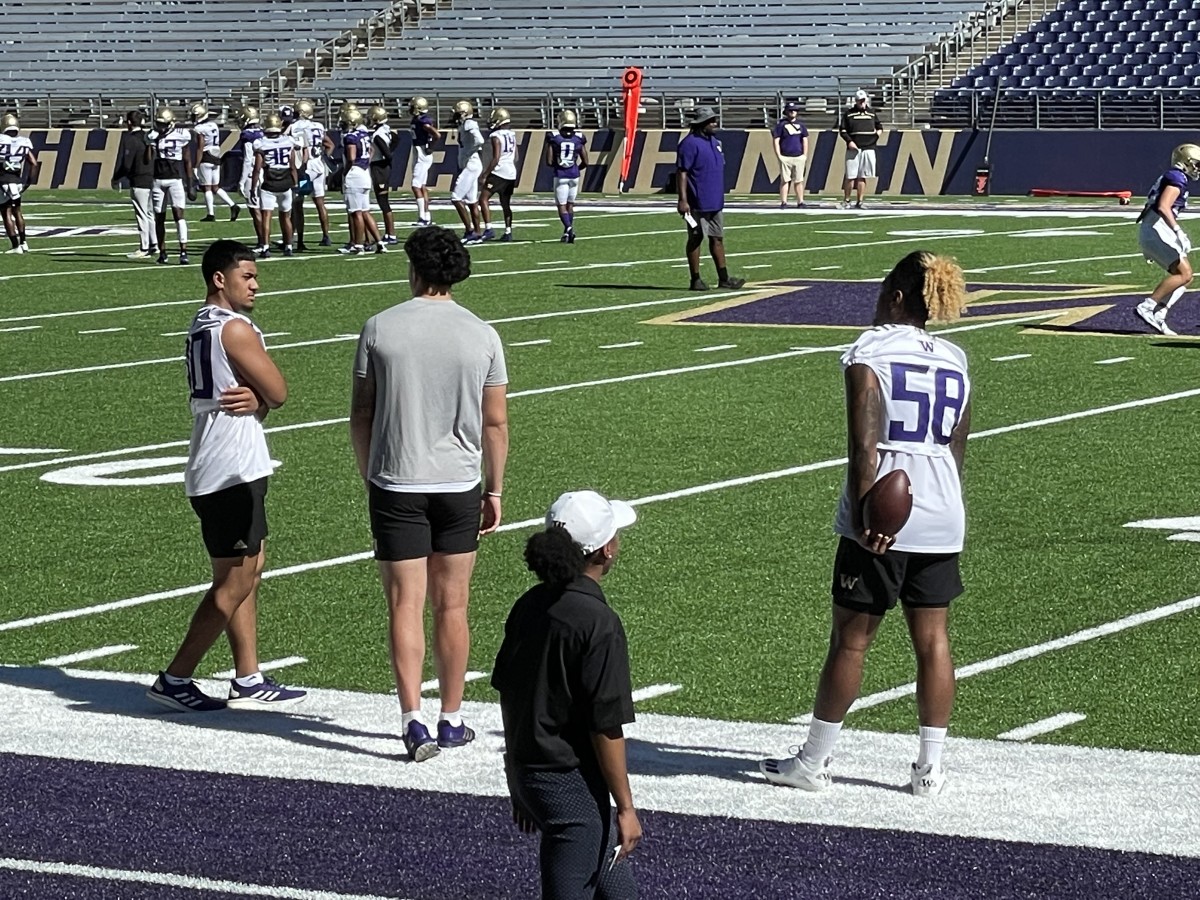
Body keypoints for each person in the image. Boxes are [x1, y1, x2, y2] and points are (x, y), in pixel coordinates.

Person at [761, 250, 972, 799]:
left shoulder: (870, 351)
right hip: (943, 507)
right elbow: (956, 448)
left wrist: (864, 517)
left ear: (897, 298)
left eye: (883, 292)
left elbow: (864, 445)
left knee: (851, 642)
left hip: (885, 510)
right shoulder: (955, 357)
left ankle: (814, 761)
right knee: (933, 641)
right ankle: (930, 770)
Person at [349, 225, 509, 761]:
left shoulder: (379, 327)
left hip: (396, 480)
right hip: (460, 482)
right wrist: (496, 488)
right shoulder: (482, 333)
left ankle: (412, 717)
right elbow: (495, 423)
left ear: (414, 269)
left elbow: (362, 413)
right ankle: (452, 717)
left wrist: (369, 471)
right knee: (453, 604)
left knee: (405, 604)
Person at [147, 239, 306, 713]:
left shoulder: (202, 323)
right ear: (220, 279)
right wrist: (262, 400)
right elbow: (278, 391)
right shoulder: (234, 328)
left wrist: (257, 402)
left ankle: (248, 675)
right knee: (235, 580)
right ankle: (176, 677)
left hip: (220, 456)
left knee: (248, 570)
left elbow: (257, 398)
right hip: (229, 465)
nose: (256, 285)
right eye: (248, 276)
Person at [493, 490, 641, 900]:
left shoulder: (528, 605)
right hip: (567, 789)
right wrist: (626, 808)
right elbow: (605, 725)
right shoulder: (598, 623)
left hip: (532, 774)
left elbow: (510, 693)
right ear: (606, 550)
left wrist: (515, 775)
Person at [675, 106, 745, 292]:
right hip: (696, 201)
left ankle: (724, 278)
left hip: (715, 199)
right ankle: (695, 278)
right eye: (711, 121)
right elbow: (682, 172)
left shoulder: (715, 142)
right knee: (696, 237)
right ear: (701, 124)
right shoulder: (689, 144)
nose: (715, 123)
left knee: (717, 238)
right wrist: (683, 200)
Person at [1134, 143, 1200, 336]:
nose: (1198, 168)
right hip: (1156, 228)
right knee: (1184, 274)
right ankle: (1148, 306)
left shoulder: (1176, 177)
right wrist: (1178, 230)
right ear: (1185, 162)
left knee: (1186, 277)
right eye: (1196, 164)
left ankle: (1160, 312)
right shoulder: (1177, 177)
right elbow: (1164, 206)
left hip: (1155, 228)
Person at [148, 107, 195, 265]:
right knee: (159, 218)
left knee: (178, 216)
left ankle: (183, 251)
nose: (160, 127)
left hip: (175, 179)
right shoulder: (153, 135)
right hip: (158, 180)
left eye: (163, 124)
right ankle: (162, 252)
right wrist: (150, 143)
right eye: (159, 124)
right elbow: (148, 159)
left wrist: (190, 184)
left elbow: (187, 160)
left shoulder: (182, 135)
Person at [338, 104, 384, 256]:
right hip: (364, 172)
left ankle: (358, 245)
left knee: (356, 212)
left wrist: (344, 173)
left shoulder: (350, 137)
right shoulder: (364, 134)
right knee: (365, 211)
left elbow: (350, 158)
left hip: (355, 174)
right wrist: (366, 162)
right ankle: (379, 242)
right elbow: (371, 150)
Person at [288, 99, 333, 250]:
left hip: (305, 168)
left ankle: (298, 239)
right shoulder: (319, 126)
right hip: (319, 166)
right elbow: (329, 144)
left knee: (297, 203)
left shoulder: (294, 126)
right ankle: (326, 236)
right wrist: (325, 155)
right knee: (320, 202)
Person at [251, 112, 298, 258]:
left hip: (270, 184)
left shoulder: (261, 143)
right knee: (286, 217)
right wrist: (295, 183)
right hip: (285, 183)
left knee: (267, 216)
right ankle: (288, 246)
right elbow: (292, 166)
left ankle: (265, 247)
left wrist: (253, 188)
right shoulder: (288, 141)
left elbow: (257, 168)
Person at [111, 110, 156, 259]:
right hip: (152, 178)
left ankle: (144, 247)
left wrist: (116, 177)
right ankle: (153, 243)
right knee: (150, 214)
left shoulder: (130, 139)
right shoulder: (147, 136)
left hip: (139, 179)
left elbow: (127, 163)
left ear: (129, 123)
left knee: (142, 214)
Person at [191, 102, 240, 223]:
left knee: (207, 187)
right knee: (215, 187)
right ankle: (233, 205)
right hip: (216, 154)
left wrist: (195, 165)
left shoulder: (199, 128)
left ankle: (210, 214)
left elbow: (200, 147)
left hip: (207, 155)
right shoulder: (213, 124)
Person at [545, 110, 587, 243]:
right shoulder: (579, 138)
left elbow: (549, 161)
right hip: (574, 175)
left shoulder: (554, 137)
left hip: (561, 175)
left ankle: (568, 228)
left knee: (561, 205)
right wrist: (575, 169)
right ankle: (566, 232)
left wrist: (560, 167)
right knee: (570, 204)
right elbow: (586, 161)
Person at [478, 107, 518, 242]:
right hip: (511, 172)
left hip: (499, 172)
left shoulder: (496, 136)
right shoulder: (512, 134)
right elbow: (516, 156)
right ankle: (508, 231)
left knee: (483, 199)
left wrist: (485, 174)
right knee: (505, 203)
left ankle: (488, 228)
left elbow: (496, 158)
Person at [838, 90, 882, 210]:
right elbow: (842, 130)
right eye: (859, 101)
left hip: (868, 147)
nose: (862, 103)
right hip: (854, 148)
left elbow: (879, 127)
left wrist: (876, 137)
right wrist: (849, 141)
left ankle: (860, 201)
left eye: (863, 100)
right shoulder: (849, 113)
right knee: (850, 176)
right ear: (856, 101)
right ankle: (847, 200)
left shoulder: (872, 113)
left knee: (863, 176)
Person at [450, 100, 485, 244]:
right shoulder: (463, 125)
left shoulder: (469, 124)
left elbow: (480, 140)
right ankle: (477, 232)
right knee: (472, 201)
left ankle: (470, 230)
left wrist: (470, 152)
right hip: (470, 165)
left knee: (456, 197)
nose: (455, 117)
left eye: (458, 114)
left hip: (471, 164)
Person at [234, 105, 267, 254]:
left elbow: (248, 159)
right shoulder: (263, 133)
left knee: (255, 210)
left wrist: (241, 181)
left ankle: (262, 242)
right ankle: (264, 241)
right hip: (264, 173)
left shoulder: (247, 135)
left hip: (252, 174)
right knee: (264, 210)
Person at [368, 104, 400, 245]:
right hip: (382, 167)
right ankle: (389, 233)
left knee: (383, 202)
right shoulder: (386, 130)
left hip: (380, 168)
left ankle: (391, 234)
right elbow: (396, 139)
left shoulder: (377, 135)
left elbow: (387, 154)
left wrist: (386, 158)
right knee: (383, 202)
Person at [409, 96, 440, 227]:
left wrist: (431, 147)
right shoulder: (418, 120)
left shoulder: (423, 122)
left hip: (422, 152)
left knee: (416, 186)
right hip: (419, 151)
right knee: (421, 186)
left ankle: (423, 217)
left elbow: (437, 135)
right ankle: (426, 216)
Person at [773, 101, 809, 209]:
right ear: (786, 112)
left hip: (798, 156)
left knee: (799, 180)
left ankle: (800, 201)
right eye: (790, 110)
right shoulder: (781, 125)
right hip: (785, 156)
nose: (793, 112)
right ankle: (784, 202)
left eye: (794, 110)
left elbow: (805, 140)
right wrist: (779, 155)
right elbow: (776, 140)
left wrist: (805, 155)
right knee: (785, 180)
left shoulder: (801, 125)